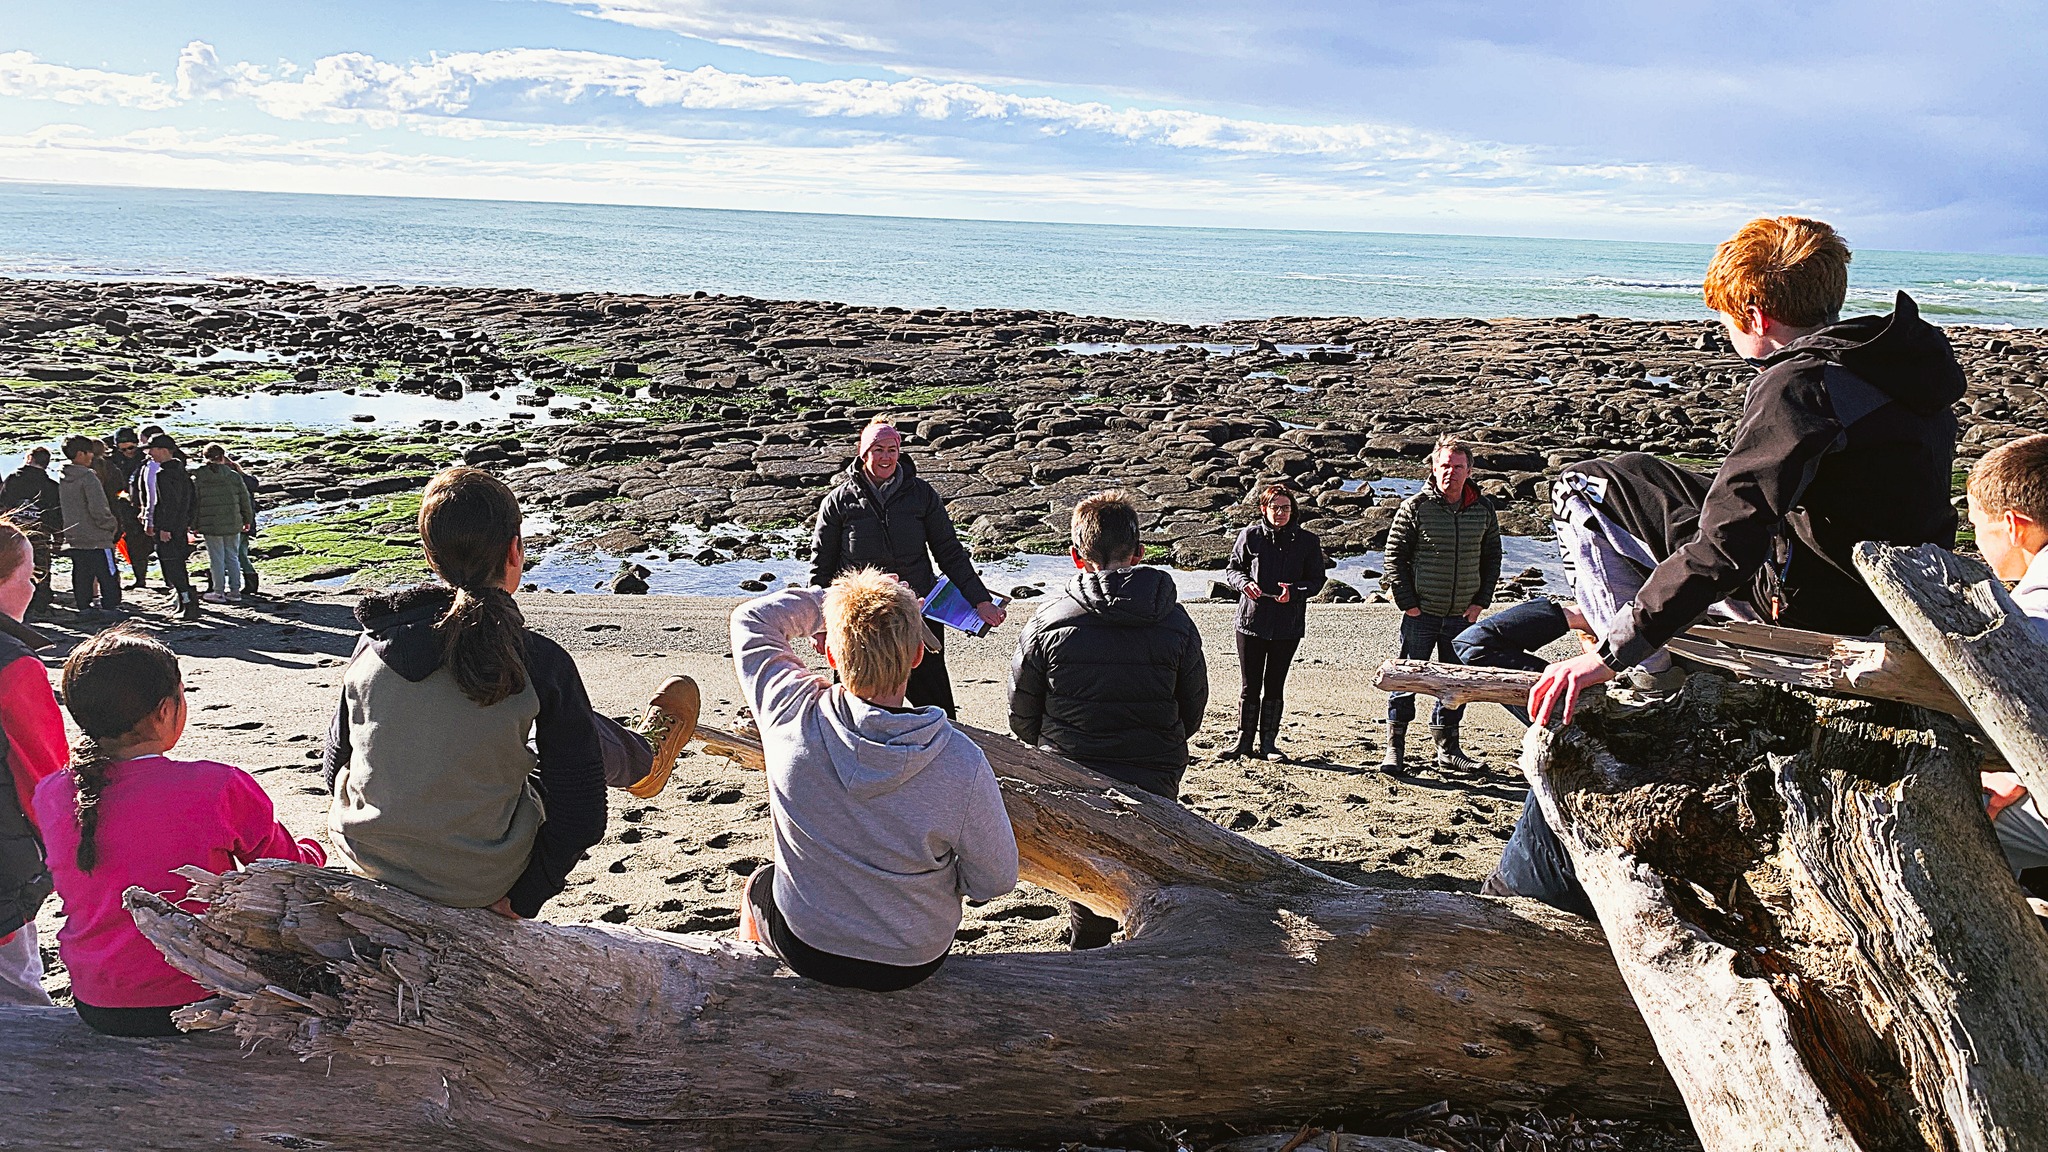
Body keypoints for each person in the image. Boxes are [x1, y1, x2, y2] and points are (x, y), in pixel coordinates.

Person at [1529, 216, 1966, 727]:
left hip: (1808, 607)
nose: (1725, 330)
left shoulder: (1800, 386)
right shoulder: (1894, 366)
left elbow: (1730, 541)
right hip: (1887, 594)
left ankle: (1646, 676)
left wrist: (1611, 653)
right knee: (1639, 471)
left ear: (1756, 318)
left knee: (1582, 484)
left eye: (1727, 319)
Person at [322, 468, 679, 920]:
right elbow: (582, 814)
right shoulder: (538, 660)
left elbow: (335, 762)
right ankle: (645, 757)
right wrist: (525, 897)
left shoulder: (374, 643)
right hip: (477, 880)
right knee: (565, 745)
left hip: (366, 853)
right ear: (515, 550)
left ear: (431, 557)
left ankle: (643, 756)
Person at [730, 571, 1018, 990]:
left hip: (810, 946)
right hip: (913, 957)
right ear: (919, 656)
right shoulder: (960, 760)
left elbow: (751, 619)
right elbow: (995, 880)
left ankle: (756, 990)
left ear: (830, 654)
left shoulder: (789, 712)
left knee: (760, 883)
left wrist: (836, 600)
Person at [34, 628, 326, 1036]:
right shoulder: (217, 786)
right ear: (165, 710)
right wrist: (315, 852)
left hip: (97, 1000)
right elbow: (286, 872)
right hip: (200, 995)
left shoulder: (51, 792)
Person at [1008, 490, 1207, 949]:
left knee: (1087, 862)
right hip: (1153, 767)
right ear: (1138, 553)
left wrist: (1053, 748)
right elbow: (1192, 707)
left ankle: (1089, 936)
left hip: (1073, 766)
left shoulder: (1047, 620)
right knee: (1151, 859)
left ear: (1076, 557)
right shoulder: (1175, 621)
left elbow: (1023, 714)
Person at [810, 417, 1004, 717]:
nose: (886, 457)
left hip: (917, 613)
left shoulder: (922, 495)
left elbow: (950, 553)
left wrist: (981, 600)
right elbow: (821, 567)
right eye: (878, 450)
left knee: (939, 711)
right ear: (863, 453)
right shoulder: (839, 501)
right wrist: (819, 625)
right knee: (853, 709)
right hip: (859, 618)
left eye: (892, 449)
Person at [1381, 435, 1502, 773]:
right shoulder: (1416, 507)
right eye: (1445, 466)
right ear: (1434, 467)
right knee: (1406, 679)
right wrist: (1408, 604)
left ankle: (1448, 750)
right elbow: (1394, 557)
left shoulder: (1483, 509)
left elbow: (1492, 558)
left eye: (1458, 467)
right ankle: (1395, 749)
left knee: (1457, 685)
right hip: (1422, 613)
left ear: (1470, 470)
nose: (1450, 472)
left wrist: (1480, 602)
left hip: (1463, 615)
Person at [1964, 433, 2048, 879]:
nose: (1978, 544)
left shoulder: (2037, 615)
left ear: (2014, 526)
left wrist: (2023, 773)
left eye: (1978, 525)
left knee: (1966, 815)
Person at [0, 518, 65, 1006]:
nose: (34, 585)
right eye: (30, 574)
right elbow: (46, 779)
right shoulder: (15, 666)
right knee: (19, 999)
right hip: (5, 863)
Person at [1221, 482, 1326, 761]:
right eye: (1275, 507)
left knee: (1275, 684)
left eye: (1286, 508)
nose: (1280, 513)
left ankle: (1268, 744)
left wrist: (1294, 591)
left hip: (1287, 625)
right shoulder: (1250, 536)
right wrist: (1244, 584)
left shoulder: (1307, 541)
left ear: (1293, 510)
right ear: (1263, 509)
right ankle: (1243, 742)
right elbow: (1233, 569)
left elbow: (1317, 581)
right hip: (1251, 621)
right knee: (1249, 685)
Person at [58, 435, 122, 615]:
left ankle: (84, 607)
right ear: (81, 454)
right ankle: (110, 607)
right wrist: (110, 524)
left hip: (75, 535)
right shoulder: (88, 477)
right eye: (89, 453)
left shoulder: (64, 476)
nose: (92, 457)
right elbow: (98, 508)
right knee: (107, 573)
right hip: (97, 536)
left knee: (81, 573)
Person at [140, 433, 199, 622]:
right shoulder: (182, 472)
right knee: (178, 565)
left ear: (163, 450)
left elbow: (168, 504)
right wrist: (187, 522)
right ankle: (185, 604)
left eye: (153, 450)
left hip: (169, 528)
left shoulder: (164, 475)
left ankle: (188, 604)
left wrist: (164, 527)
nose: (150, 454)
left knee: (173, 567)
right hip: (180, 526)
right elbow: (191, 502)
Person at [192, 442, 253, 604]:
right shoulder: (233, 475)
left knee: (216, 558)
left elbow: (195, 503)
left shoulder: (199, 476)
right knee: (232, 557)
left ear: (205, 457)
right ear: (222, 457)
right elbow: (244, 499)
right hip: (233, 521)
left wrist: (194, 524)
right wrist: (247, 520)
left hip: (210, 523)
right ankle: (235, 591)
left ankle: (218, 592)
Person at [0, 448, 60, 613]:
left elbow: (3, 504)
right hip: (41, 533)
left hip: (14, 531)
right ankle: (41, 600)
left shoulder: (13, 480)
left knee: (14, 565)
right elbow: (56, 515)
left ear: (29, 458)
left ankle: (22, 602)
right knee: (41, 566)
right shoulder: (51, 486)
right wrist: (58, 537)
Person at [108, 428, 153, 589]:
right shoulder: (113, 460)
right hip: (125, 508)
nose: (128, 452)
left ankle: (169, 581)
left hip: (148, 504)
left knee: (154, 543)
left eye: (131, 448)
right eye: (123, 449)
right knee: (133, 544)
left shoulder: (146, 457)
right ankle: (140, 579)